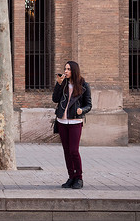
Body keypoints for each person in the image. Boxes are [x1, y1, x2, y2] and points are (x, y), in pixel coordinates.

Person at [52, 61, 92, 189]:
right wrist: (58, 85)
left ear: (74, 70)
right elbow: (55, 99)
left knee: (74, 151)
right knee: (66, 151)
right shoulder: (62, 84)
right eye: (65, 69)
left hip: (75, 121)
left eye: (68, 69)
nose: (65, 71)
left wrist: (81, 110)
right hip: (62, 121)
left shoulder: (84, 85)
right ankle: (71, 177)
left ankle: (79, 178)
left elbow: (89, 105)